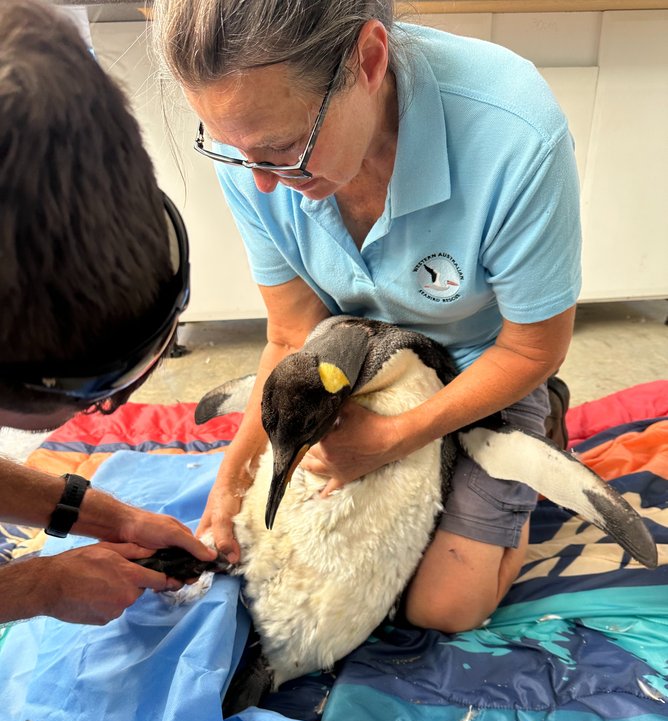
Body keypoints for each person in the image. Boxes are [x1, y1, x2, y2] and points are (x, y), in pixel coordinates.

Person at [154, 0, 580, 634]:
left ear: (370, 59)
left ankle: (538, 427)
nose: (264, 183)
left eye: (285, 148)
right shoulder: (254, 151)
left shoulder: (514, 133)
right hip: (350, 358)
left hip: (484, 364)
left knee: (442, 608)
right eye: (234, 150)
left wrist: (392, 441)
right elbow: (291, 334)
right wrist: (231, 482)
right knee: (295, 559)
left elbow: (531, 350)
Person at [0, 0, 216, 626]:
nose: (100, 415)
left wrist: (108, 517)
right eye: (92, 399)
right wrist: (35, 588)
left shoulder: (35, 71)